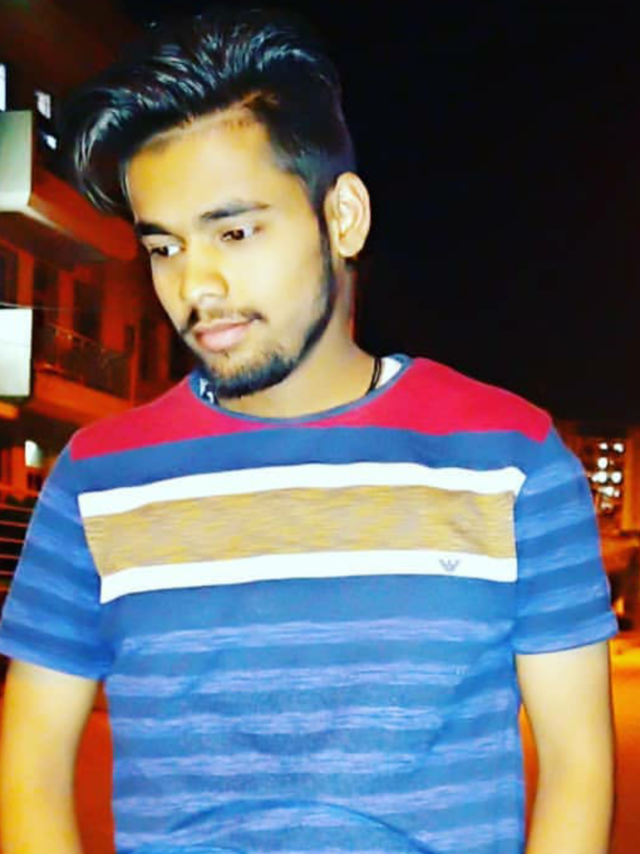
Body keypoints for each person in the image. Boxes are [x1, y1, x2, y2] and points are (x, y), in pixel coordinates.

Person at [0, 7, 616, 854]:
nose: (196, 287)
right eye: (165, 247)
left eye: (235, 231)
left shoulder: (512, 459)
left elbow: (578, 769)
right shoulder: (96, 478)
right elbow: (30, 770)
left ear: (344, 218)